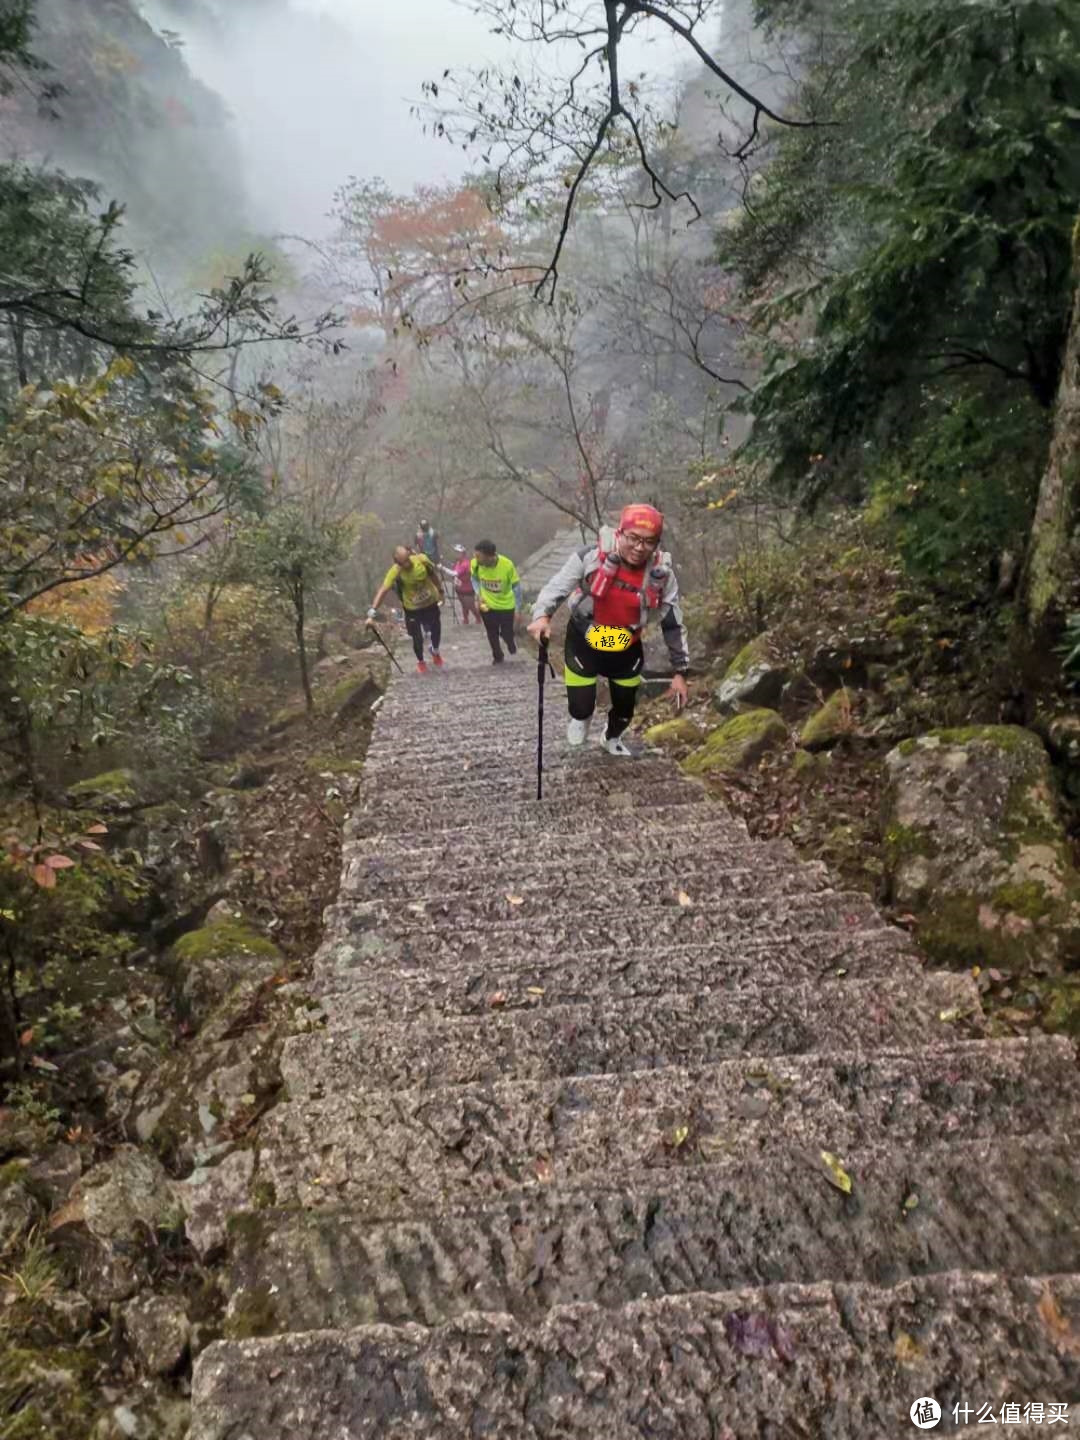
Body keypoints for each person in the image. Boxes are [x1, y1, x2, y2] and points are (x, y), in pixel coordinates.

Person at [526, 503, 689, 756]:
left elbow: (672, 622)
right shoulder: (590, 558)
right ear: (619, 533)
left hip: (626, 642)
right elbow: (556, 588)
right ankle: (582, 719)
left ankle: (611, 738)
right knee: (580, 706)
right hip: (585, 638)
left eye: (648, 541)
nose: (639, 547)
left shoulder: (662, 575)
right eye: (633, 538)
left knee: (625, 709)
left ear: (657, 543)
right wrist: (541, 616)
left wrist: (680, 671)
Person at [367, 544, 446, 674]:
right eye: (403, 563)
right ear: (397, 563)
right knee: (417, 637)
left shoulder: (422, 560)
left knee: (436, 629)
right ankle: (421, 661)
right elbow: (384, 590)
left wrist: (441, 591)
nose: (407, 564)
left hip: (430, 603)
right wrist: (372, 612)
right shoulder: (395, 572)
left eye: (408, 559)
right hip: (412, 608)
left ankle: (435, 650)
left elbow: (433, 576)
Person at [471, 540, 522, 664]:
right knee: (491, 631)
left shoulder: (507, 565)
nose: (476, 559)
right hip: (487, 604)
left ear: (489, 556)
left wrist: (518, 609)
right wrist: (478, 594)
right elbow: (474, 579)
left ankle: (510, 642)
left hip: (506, 605)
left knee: (506, 632)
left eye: (479, 556)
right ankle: (497, 656)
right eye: (475, 556)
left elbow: (516, 587)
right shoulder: (475, 564)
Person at [441, 543, 480, 624]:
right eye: (455, 552)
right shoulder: (458, 562)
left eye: (458, 552)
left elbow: (455, 573)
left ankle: (478, 618)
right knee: (464, 605)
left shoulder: (466, 564)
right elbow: (453, 569)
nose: (456, 554)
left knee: (470, 605)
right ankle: (465, 619)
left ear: (463, 554)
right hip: (459, 588)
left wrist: (443, 568)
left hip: (468, 589)